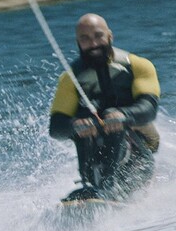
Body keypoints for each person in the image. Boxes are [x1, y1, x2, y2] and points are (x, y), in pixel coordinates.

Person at [49, 13, 160, 202]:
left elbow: (149, 107)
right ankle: (90, 188)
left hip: (138, 159)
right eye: (85, 39)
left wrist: (124, 115)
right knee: (82, 122)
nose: (93, 44)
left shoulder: (138, 66)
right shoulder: (70, 79)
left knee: (110, 115)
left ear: (110, 36)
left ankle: (108, 187)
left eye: (98, 36)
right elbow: (56, 127)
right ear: (78, 42)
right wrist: (75, 125)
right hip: (96, 165)